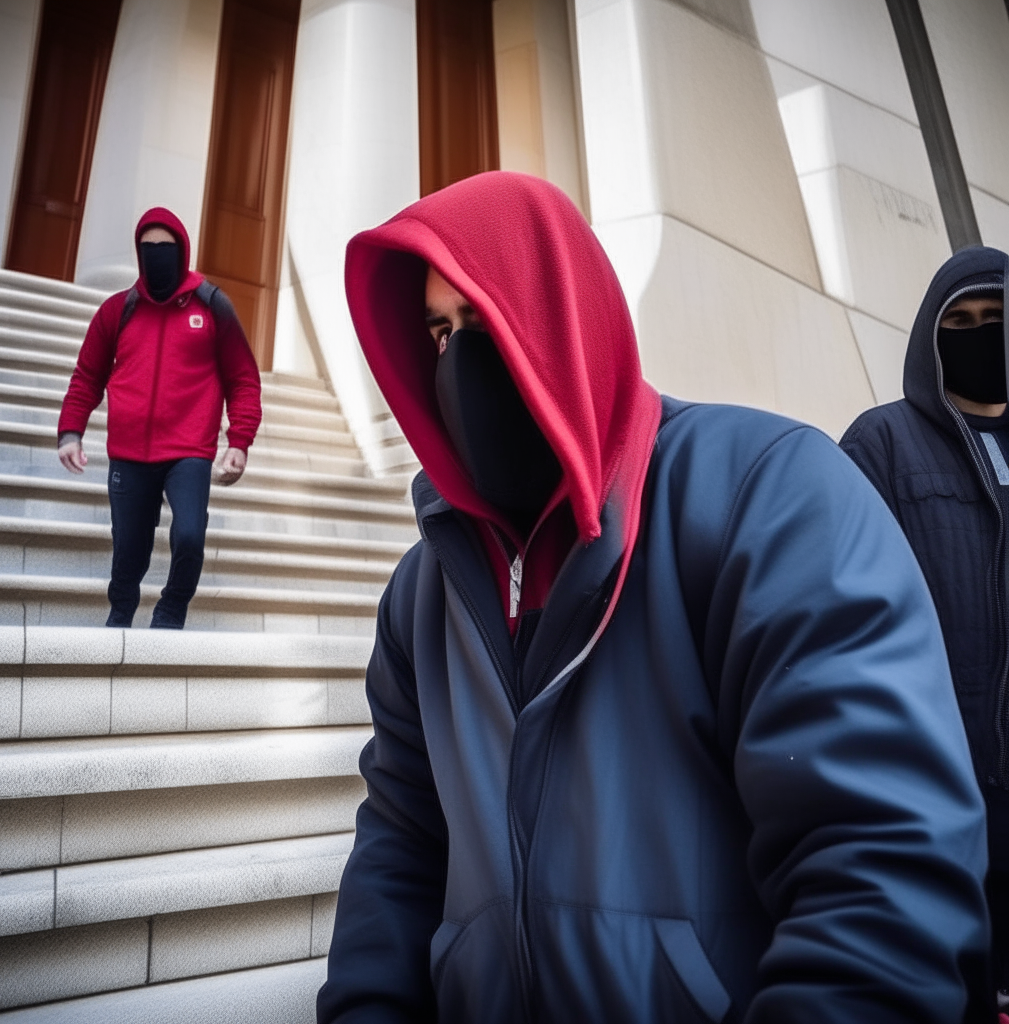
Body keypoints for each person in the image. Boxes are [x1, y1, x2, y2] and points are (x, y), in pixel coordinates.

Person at [317, 172, 991, 1023]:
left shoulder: (768, 497)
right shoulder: (423, 595)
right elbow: (400, 854)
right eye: (441, 333)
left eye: (485, 320)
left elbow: (882, 870)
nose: (460, 363)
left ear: (561, 312)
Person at [842, 245, 1009, 1014]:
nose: (978, 336)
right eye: (961, 322)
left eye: (995, 320)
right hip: (942, 790)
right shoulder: (883, 444)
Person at [57, 207, 261, 629]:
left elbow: (243, 378)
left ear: (182, 251)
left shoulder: (212, 305)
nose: (155, 255)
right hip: (130, 453)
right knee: (128, 550)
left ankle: (170, 612)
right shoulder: (119, 310)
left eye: (164, 248)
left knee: (188, 535)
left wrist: (239, 440)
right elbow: (88, 376)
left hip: (188, 450)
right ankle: (120, 615)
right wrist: (70, 431)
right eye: (147, 248)